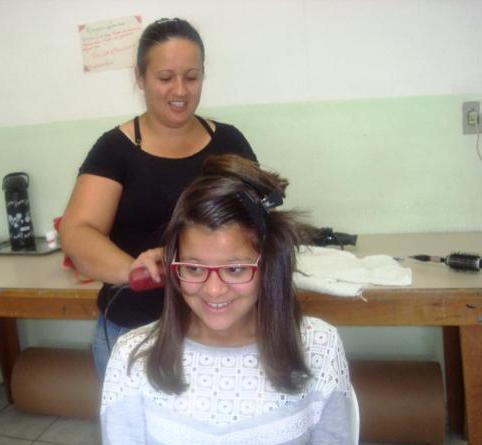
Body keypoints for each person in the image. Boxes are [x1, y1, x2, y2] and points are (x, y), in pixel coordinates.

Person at [100, 154, 354, 444]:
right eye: (194, 268)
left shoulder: (319, 347)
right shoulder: (133, 358)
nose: (213, 290)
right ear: (173, 266)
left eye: (235, 269)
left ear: (269, 264)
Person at [59, 18, 257, 379]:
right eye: (165, 77)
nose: (179, 90)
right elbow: (77, 232)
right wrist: (132, 269)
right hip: (137, 332)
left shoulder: (230, 143)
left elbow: (259, 226)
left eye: (192, 76)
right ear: (140, 77)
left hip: (223, 328)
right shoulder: (114, 151)